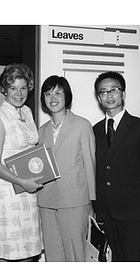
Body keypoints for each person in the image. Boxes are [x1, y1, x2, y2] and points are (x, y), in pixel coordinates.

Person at [0, 63, 43, 261]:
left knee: (28, 252)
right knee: (9, 252)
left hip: (27, 191)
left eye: (23, 88)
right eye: (13, 88)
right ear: (4, 89)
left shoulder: (27, 111)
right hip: (7, 191)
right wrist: (22, 182)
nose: (18, 93)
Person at [38, 75, 95, 261]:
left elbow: (90, 164)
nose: (52, 98)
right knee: (53, 257)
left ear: (67, 96)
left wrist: (91, 202)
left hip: (75, 201)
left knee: (76, 255)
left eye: (58, 93)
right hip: (46, 201)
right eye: (48, 94)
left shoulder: (82, 125)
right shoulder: (41, 131)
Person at [93, 71, 140, 261]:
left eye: (113, 90)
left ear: (122, 94)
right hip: (106, 214)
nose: (109, 95)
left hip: (135, 214)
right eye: (103, 92)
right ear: (99, 98)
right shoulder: (96, 130)